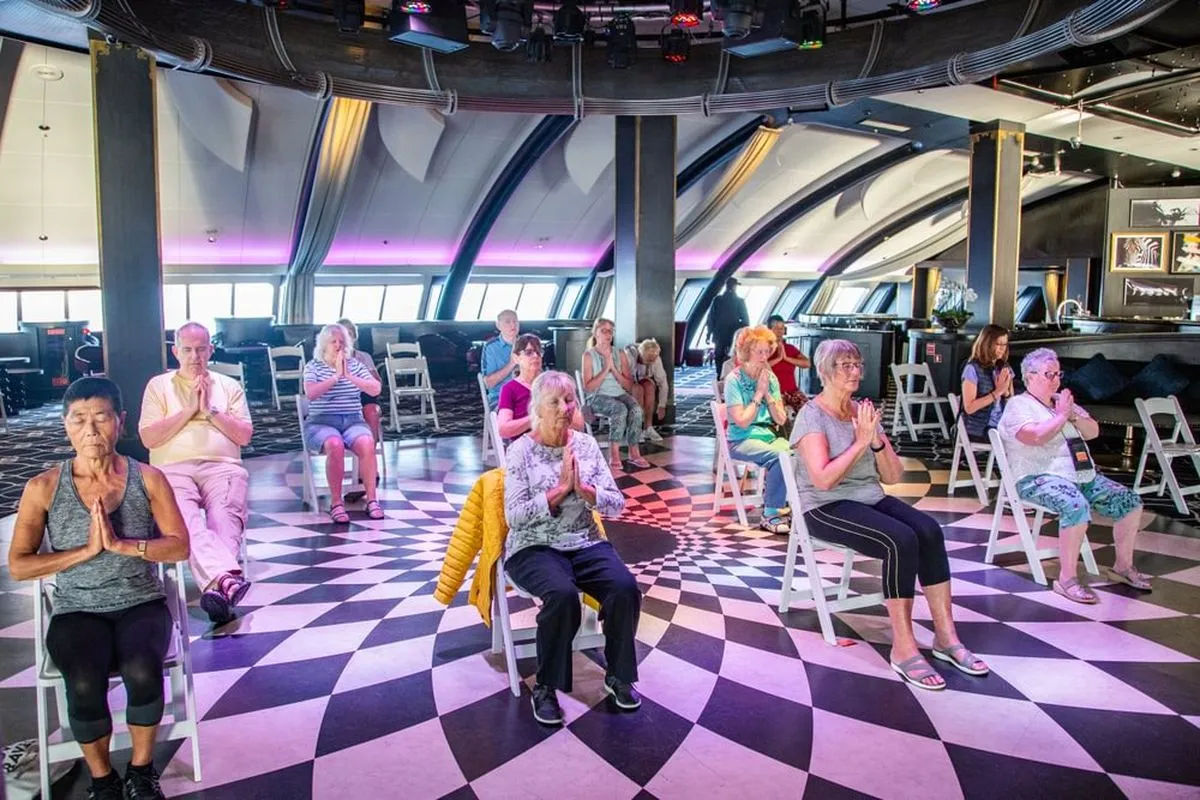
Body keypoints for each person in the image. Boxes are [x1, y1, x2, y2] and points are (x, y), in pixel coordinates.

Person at [9, 377, 190, 800]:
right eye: (79, 420)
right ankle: (104, 780)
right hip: (77, 609)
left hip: (140, 602)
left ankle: (141, 772)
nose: (90, 431)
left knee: (143, 670)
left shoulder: (148, 478)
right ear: (65, 426)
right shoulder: (43, 488)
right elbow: (19, 565)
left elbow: (180, 546)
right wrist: (86, 551)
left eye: (101, 418)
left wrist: (124, 545)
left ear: (120, 422)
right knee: (85, 683)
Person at [794, 339, 988, 690]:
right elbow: (822, 480)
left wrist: (876, 440)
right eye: (845, 365)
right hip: (824, 507)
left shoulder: (861, 411)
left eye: (857, 364)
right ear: (825, 371)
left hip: (868, 496)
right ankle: (903, 646)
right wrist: (859, 441)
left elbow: (894, 477)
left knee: (929, 530)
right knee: (901, 540)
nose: (855, 371)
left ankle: (946, 637)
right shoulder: (812, 415)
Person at [503, 371, 640, 726]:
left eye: (569, 400)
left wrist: (587, 491)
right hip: (533, 545)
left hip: (584, 541)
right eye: (555, 402)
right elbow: (515, 517)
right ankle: (545, 686)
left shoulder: (586, 445)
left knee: (624, 588)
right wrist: (561, 490)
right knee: (563, 596)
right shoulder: (520, 451)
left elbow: (616, 503)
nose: (564, 409)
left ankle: (619, 675)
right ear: (538, 408)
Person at [997, 348, 1148, 603]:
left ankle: (1123, 566)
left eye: (1058, 374)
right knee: (1075, 505)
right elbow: (1035, 436)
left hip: (1080, 475)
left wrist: (1073, 415)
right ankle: (1067, 579)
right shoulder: (1018, 405)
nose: (1055, 380)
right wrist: (1062, 416)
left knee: (1130, 502)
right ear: (1030, 376)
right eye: (1048, 374)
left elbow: (1092, 432)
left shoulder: (1062, 402)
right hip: (1038, 477)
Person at [139, 322, 254, 625]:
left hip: (223, 466)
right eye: (187, 349)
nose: (195, 356)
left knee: (225, 514)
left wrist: (211, 412)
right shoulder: (158, 386)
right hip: (171, 470)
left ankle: (218, 586)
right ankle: (226, 580)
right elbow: (149, 438)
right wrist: (189, 410)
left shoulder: (229, 386)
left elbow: (243, 436)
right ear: (175, 351)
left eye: (201, 349)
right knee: (184, 519)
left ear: (210, 350)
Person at [303, 323, 384, 523]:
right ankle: (336, 503)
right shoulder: (313, 366)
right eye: (333, 342)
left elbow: (375, 389)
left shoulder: (355, 365)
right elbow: (311, 393)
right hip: (321, 422)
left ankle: (372, 500)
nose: (338, 346)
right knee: (335, 444)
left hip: (352, 420)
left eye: (341, 342)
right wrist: (336, 377)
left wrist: (348, 375)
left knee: (367, 442)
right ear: (324, 345)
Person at [723, 325, 792, 534]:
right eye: (759, 352)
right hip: (742, 439)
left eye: (767, 352)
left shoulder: (770, 379)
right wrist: (758, 394)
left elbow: (780, 419)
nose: (764, 357)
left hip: (769, 435)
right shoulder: (733, 380)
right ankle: (770, 512)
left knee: (796, 454)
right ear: (747, 352)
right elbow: (742, 422)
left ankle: (792, 503)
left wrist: (769, 395)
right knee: (781, 456)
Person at [581, 318, 650, 470]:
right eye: (603, 331)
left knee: (636, 409)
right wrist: (606, 368)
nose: (607, 334)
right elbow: (588, 388)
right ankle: (614, 453)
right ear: (595, 333)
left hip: (619, 393)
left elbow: (629, 385)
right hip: (597, 397)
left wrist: (615, 371)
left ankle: (634, 452)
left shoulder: (621, 354)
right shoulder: (588, 356)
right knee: (620, 409)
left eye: (610, 331)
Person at [497, 333, 584, 441]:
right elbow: (503, 430)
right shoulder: (510, 389)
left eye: (539, 352)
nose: (535, 356)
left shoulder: (553, 383)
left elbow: (579, 424)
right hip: (526, 448)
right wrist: (537, 416)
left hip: (558, 442)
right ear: (516, 357)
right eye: (529, 352)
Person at [337, 318, 385, 502]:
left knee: (371, 412)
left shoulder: (364, 357)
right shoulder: (327, 356)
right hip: (340, 398)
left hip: (363, 395)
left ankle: (369, 465)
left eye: (349, 333)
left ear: (354, 337)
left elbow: (376, 383)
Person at [959, 324, 1013, 442]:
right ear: (987, 344)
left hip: (1002, 424)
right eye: (998, 344)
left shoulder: (1004, 368)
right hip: (980, 428)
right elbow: (969, 408)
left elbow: (1011, 405)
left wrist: (1006, 393)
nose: (1002, 349)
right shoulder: (972, 369)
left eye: (1004, 345)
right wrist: (997, 392)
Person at [625, 338, 669, 443]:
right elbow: (622, 377)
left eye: (653, 359)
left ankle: (648, 427)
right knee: (638, 389)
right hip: (625, 382)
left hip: (641, 380)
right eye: (648, 358)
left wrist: (662, 405)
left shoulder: (655, 359)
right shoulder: (629, 356)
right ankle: (636, 428)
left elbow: (663, 382)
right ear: (641, 353)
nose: (651, 361)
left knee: (649, 386)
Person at [767, 315, 810, 413]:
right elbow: (759, 367)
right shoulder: (765, 349)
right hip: (773, 393)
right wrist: (778, 359)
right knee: (781, 414)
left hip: (793, 391)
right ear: (769, 330)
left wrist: (786, 358)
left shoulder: (790, 348)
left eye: (782, 328)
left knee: (808, 411)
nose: (780, 332)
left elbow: (807, 363)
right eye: (776, 328)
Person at [707, 277, 749, 375]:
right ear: (734, 287)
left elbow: (711, 318)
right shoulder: (739, 301)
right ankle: (732, 376)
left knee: (719, 356)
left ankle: (719, 376)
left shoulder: (717, 300)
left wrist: (708, 334)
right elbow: (745, 320)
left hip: (719, 334)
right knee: (733, 356)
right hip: (733, 334)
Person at [481, 309, 520, 406]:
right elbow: (488, 383)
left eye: (515, 321)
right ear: (498, 325)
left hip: (528, 395)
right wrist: (511, 364)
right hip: (500, 397)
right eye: (508, 321)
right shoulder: (491, 347)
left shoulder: (527, 344)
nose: (513, 325)